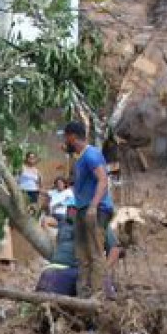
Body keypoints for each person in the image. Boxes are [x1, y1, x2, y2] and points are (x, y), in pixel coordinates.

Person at [61, 121, 114, 297]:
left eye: (66, 137)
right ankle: (83, 295)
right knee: (82, 255)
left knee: (95, 254)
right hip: (82, 209)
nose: (64, 141)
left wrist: (93, 206)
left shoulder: (92, 155)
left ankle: (97, 295)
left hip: (96, 210)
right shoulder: (80, 158)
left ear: (73, 137)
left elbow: (103, 180)